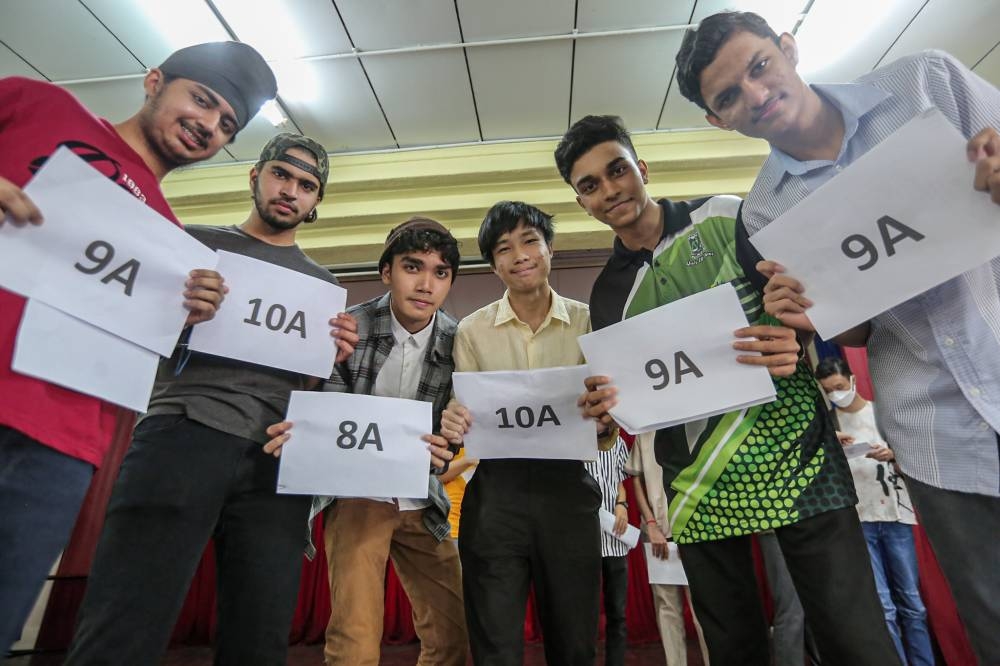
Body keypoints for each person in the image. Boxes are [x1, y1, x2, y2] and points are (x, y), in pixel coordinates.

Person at [675, 11, 1000, 661]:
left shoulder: (925, 82)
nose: (758, 95)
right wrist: (805, 315)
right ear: (719, 120)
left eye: (759, 67)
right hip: (933, 424)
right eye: (730, 96)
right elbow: (856, 327)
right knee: (991, 615)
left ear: (788, 48)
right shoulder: (766, 209)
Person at [557, 114, 899, 664]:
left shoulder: (724, 215)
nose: (609, 189)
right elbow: (632, 397)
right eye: (590, 185)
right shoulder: (608, 296)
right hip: (697, 482)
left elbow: (805, 300)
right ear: (582, 203)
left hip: (798, 460)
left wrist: (798, 335)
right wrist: (605, 413)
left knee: (852, 635)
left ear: (641, 169)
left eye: (617, 170)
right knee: (733, 646)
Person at [0, 41, 272, 653]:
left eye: (227, 124)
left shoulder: (170, 239)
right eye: (201, 100)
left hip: (63, 445)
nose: (208, 125)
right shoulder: (37, 105)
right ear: (154, 81)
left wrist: (186, 317)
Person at [65, 133, 360, 666]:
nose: (290, 190)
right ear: (255, 176)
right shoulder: (193, 244)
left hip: (275, 459)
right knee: (127, 613)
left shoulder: (323, 285)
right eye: (281, 174)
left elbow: (306, 392)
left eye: (307, 185)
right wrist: (177, 312)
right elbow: (121, 330)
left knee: (262, 631)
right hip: (181, 431)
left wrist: (331, 359)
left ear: (317, 201)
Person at [265, 217, 468, 666]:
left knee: (455, 631)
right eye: (412, 267)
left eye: (441, 272)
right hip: (357, 494)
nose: (426, 284)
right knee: (355, 639)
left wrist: (449, 443)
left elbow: (459, 424)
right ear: (386, 272)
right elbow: (322, 410)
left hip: (422, 496)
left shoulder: (460, 341)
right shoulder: (346, 328)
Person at [439, 200, 605, 666]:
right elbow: (463, 410)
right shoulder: (471, 331)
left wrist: (605, 418)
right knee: (495, 644)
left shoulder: (588, 322)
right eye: (504, 248)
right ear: (494, 264)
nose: (520, 255)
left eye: (530, 240)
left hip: (568, 492)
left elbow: (605, 421)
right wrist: (456, 420)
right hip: (495, 496)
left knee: (573, 641)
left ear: (550, 248)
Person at [815, 356, 934, 665]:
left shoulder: (881, 413)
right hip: (858, 521)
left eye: (839, 387)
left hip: (895, 514)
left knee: (912, 602)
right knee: (884, 607)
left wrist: (893, 455)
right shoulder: (829, 424)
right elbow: (819, 477)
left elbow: (915, 460)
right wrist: (831, 448)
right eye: (828, 391)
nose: (835, 395)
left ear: (853, 379)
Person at [626, 432, 709, 666]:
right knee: (667, 608)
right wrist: (650, 523)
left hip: (695, 530)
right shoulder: (645, 430)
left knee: (704, 609)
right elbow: (636, 478)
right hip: (657, 532)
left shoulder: (692, 422)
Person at [584, 436, 631, 666]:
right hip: (585, 542)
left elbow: (620, 481)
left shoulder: (619, 442)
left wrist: (622, 504)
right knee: (586, 615)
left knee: (618, 614)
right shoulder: (575, 442)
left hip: (615, 538)